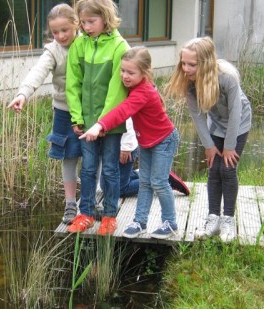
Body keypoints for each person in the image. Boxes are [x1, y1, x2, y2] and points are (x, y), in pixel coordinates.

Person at [81, 46, 180, 239]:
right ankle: (140, 222)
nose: (125, 76)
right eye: (123, 70)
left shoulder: (143, 92)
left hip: (164, 140)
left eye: (131, 72)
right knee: (145, 182)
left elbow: (123, 111)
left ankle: (170, 223)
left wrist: (99, 125)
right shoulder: (132, 87)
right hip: (147, 141)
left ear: (145, 73)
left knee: (158, 182)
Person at [166, 37, 252, 242]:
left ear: (205, 63)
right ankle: (213, 218)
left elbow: (235, 113)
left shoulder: (227, 78)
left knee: (228, 169)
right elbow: (197, 116)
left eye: (192, 65)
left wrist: (229, 146)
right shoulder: (189, 83)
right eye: (183, 63)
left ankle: (228, 219)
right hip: (216, 124)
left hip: (238, 123)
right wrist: (209, 146)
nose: (186, 68)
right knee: (214, 169)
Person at [7, 3, 81, 225]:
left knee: (91, 155)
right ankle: (70, 203)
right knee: (68, 156)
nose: (60, 36)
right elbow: (37, 72)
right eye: (55, 32)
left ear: (76, 24)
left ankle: (91, 199)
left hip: (90, 111)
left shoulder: (87, 43)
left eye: (64, 30)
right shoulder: (53, 50)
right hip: (64, 111)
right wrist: (23, 94)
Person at [65, 0, 129, 235]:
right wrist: (78, 117)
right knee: (88, 169)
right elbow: (73, 84)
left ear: (105, 17)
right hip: (86, 123)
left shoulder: (119, 46)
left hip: (111, 123)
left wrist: (103, 123)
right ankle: (86, 214)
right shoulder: (79, 45)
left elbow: (117, 90)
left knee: (110, 169)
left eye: (91, 21)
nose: (85, 26)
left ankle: (110, 215)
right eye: (83, 22)